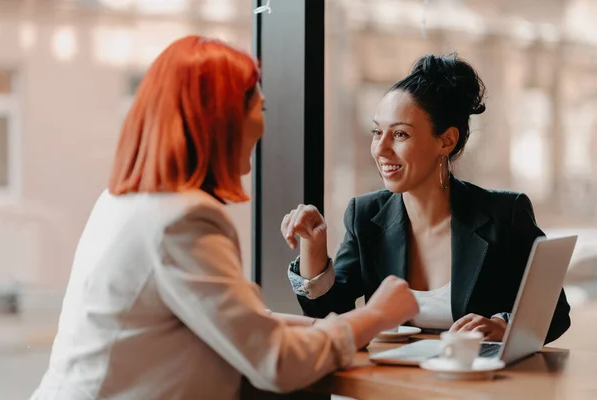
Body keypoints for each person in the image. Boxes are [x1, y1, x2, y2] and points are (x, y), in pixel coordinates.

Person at [30, 36, 419, 400]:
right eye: (258, 108)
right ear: (222, 118)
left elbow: (236, 320)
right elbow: (276, 362)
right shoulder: (182, 220)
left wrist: (326, 327)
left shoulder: (124, 202)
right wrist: (376, 315)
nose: (263, 124)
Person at [282, 53, 570, 344]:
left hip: (476, 385)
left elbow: (555, 313)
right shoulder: (365, 215)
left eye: (400, 135)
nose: (381, 149)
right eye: (377, 132)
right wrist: (313, 247)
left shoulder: (505, 215)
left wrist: (504, 326)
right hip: (393, 383)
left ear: (446, 141)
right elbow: (330, 315)